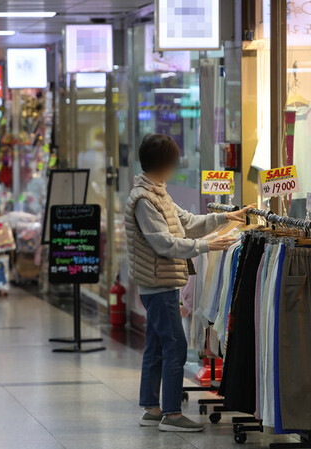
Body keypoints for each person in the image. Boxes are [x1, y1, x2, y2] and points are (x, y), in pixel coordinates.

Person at [125, 134, 250, 432]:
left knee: (156, 345)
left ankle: (152, 408)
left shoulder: (156, 193)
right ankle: (172, 413)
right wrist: (208, 246)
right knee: (175, 346)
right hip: (159, 284)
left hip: (161, 281)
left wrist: (224, 217)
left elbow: (187, 222)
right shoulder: (144, 200)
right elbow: (164, 243)